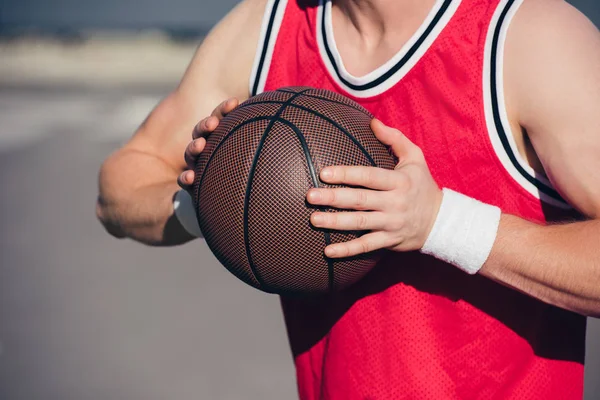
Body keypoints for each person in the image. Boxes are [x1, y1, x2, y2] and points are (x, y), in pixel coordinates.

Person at [96, 0, 600, 397]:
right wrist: (211, 201)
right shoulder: (265, 27)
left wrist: (441, 222)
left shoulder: (527, 38)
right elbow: (120, 188)